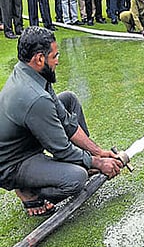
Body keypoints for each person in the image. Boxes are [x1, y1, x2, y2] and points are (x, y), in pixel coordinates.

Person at [0, 27, 123, 217]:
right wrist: (98, 163)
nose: (58, 60)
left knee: (69, 100)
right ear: (40, 59)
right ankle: (30, 192)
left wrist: (97, 153)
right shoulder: (36, 98)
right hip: (13, 164)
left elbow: (67, 122)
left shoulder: (32, 73)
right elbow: (62, 148)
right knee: (76, 177)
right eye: (54, 56)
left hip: (25, 140)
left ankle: (72, 164)